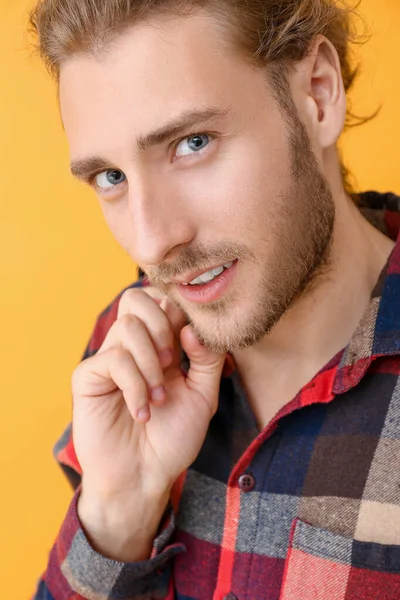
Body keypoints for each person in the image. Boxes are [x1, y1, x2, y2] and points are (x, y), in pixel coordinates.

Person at [29, 0, 400, 598]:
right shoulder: (127, 356)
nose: (153, 242)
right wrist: (118, 515)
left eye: (193, 142)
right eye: (111, 178)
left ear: (319, 95)